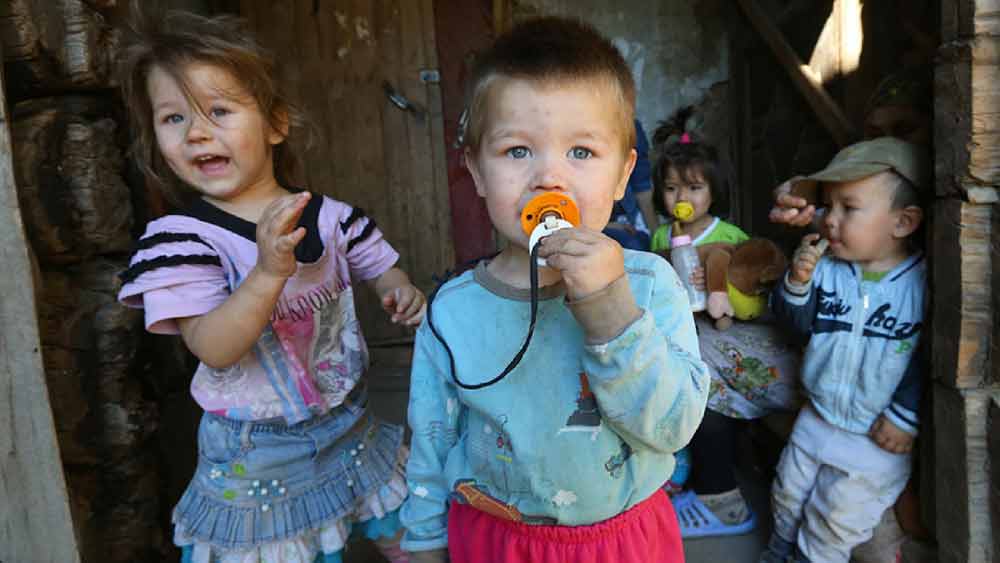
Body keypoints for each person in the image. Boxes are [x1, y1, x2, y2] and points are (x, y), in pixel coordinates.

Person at [115, 9, 424, 563]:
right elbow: (213, 345)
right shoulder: (181, 240)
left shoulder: (330, 217)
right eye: (173, 118)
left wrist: (396, 288)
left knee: (410, 534)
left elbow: (379, 262)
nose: (198, 132)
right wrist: (265, 273)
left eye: (219, 110)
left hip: (349, 423)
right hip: (258, 459)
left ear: (276, 124)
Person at [399, 17, 710, 563]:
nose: (549, 177)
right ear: (476, 170)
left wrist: (612, 310)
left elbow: (673, 429)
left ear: (622, 175)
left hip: (621, 539)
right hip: (496, 538)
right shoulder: (453, 311)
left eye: (582, 153)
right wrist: (425, 540)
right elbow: (431, 441)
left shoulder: (650, 284)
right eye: (517, 151)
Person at [760, 137, 928, 563]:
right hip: (816, 415)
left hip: (874, 436)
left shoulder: (921, 283)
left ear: (903, 223)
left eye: (848, 209)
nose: (829, 221)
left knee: (835, 521)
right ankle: (779, 552)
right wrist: (797, 284)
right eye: (828, 207)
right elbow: (793, 325)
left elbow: (927, 355)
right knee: (787, 496)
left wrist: (906, 416)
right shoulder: (828, 268)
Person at [648, 119, 801, 539]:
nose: (684, 198)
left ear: (714, 191)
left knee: (702, 384)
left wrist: (724, 292)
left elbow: (755, 291)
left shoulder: (731, 235)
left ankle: (718, 493)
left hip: (727, 328)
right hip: (688, 328)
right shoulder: (662, 234)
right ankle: (690, 476)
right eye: (673, 188)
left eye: (695, 188)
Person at [603, 119, 657, 250]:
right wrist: (605, 226)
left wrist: (656, 240)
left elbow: (643, 188)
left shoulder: (630, 125)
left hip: (628, 223)